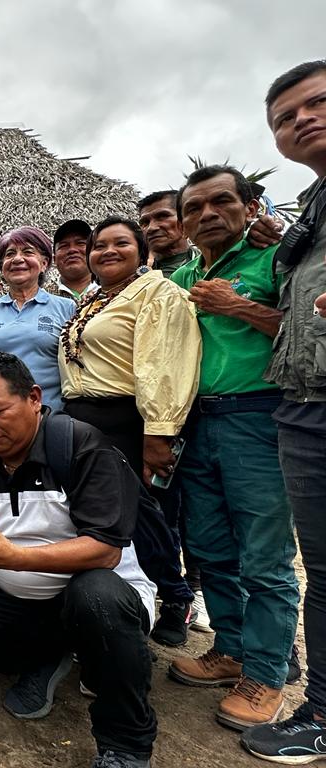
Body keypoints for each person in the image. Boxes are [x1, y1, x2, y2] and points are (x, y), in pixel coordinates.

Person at [0, 351, 157, 768]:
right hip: (23, 599)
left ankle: (125, 743)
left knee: (96, 597)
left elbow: (105, 550)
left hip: (98, 590)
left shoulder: (80, 446)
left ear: (34, 397)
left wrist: (12, 557)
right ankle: (53, 652)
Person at [168, 165, 299, 731]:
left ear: (250, 207)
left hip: (259, 417)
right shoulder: (182, 277)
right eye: (194, 209)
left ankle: (268, 674)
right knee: (210, 546)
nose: (207, 215)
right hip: (197, 420)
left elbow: (306, 332)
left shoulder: (275, 260)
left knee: (264, 556)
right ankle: (231, 649)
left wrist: (238, 306)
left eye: (221, 202)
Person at [58, 215, 200, 647]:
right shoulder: (95, 301)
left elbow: (166, 362)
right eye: (99, 246)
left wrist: (157, 433)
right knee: (100, 516)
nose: (107, 251)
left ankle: (176, 598)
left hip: (128, 421)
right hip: (83, 421)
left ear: (142, 251)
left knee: (142, 516)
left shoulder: (158, 292)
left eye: (120, 243)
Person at [242, 58, 326, 763]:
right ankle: (322, 709)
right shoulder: (309, 213)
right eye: (284, 117)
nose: (300, 120)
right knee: (320, 570)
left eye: (316, 103)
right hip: (302, 399)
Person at [0, 227, 76, 410]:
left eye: (27, 252)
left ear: (44, 263)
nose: (17, 259)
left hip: (52, 414)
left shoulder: (66, 308)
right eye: (10, 254)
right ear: (2, 266)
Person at [136, 191, 201, 278]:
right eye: (145, 222)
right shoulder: (133, 274)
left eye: (162, 216)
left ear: (185, 218)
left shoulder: (211, 265)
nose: (151, 228)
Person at [52, 219, 98, 302]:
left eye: (80, 243)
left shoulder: (113, 291)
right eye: (64, 246)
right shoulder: (41, 298)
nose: (72, 250)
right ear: (54, 259)